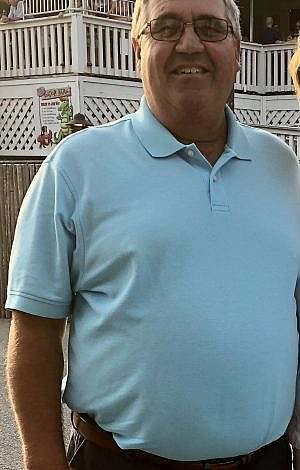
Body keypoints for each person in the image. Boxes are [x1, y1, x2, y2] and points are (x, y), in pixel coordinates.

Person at [5, 0, 300, 469]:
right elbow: (35, 331)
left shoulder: (284, 169)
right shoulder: (76, 168)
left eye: (210, 27)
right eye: (166, 27)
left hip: (266, 460)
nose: (190, 44)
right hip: (118, 462)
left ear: (237, 50)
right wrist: (42, 459)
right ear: (136, 46)